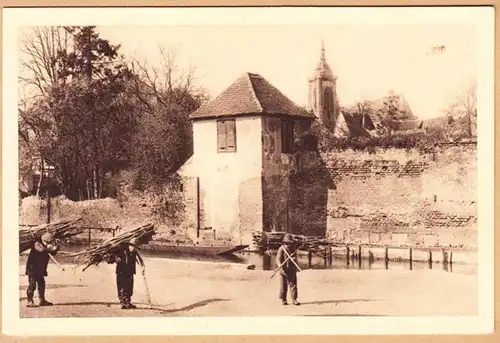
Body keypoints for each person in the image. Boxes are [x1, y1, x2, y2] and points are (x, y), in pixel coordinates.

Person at [104, 238, 145, 309]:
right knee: (122, 288)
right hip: (121, 272)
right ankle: (123, 303)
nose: (133, 248)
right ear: (129, 246)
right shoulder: (122, 251)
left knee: (129, 288)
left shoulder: (134, 252)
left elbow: (140, 260)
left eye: (134, 247)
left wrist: (142, 267)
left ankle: (128, 302)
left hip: (130, 273)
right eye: (132, 246)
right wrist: (115, 259)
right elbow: (112, 258)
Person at [25, 232, 59, 307]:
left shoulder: (47, 245)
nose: (51, 243)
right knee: (32, 284)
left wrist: (55, 248)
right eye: (50, 242)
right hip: (32, 268)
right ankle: (29, 301)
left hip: (40, 268)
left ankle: (42, 300)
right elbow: (42, 250)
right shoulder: (37, 243)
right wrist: (50, 248)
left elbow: (53, 253)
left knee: (42, 284)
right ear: (46, 241)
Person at [275, 233, 300, 306]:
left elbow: (295, 258)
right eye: (287, 243)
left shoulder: (294, 248)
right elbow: (278, 259)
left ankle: (294, 299)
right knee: (283, 286)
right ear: (285, 242)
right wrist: (279, 264)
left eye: (290, 243)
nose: (289, 244)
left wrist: (293, 259)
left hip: (292, 269)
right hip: (283, 270)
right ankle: (284, 299)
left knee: (293, 285)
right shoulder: (281, 249)